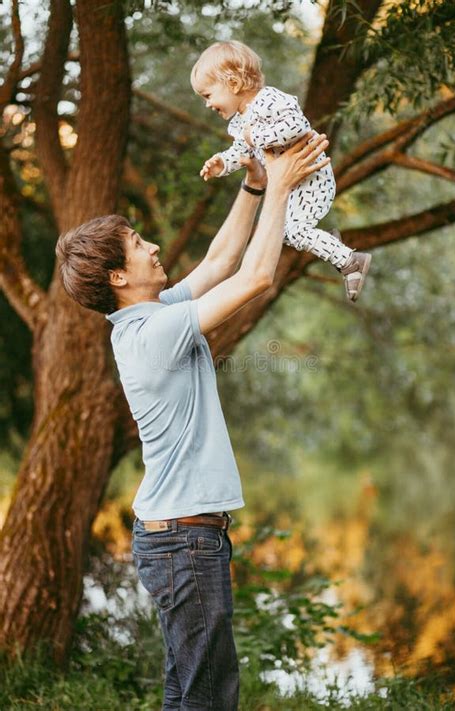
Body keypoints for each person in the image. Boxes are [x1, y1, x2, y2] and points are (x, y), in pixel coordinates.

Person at [56, 131, 330, 710]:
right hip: (184, 540)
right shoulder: (153, 333)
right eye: (137, 243)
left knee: (189, 690)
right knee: (208, 695)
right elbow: (255, 278)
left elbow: (221, 261)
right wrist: (283, 188)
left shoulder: (149, 319)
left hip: (180, 537)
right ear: (117, 278)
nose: (153, 246)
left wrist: (256, 184)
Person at [191, 39, 372, 302]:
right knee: (286, 233)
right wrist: (221, 163)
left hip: (310, 177)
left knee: (291, 232)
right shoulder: (240, 122)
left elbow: (296, 126)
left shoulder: (269, 100)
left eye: (208, 95)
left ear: (233, 83)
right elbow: (241, 153)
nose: (207, 104)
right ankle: (333, 246)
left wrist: (256, 136)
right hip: (292, 183)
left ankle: (350, 261)